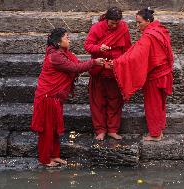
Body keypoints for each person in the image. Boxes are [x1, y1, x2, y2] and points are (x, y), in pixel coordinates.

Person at [31, 28, 104, 167]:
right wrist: (94, 62)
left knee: (54, 129)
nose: (69, 39)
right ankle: (45, 159)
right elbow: (74, 68)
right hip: (48, 97)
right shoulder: (56, 56)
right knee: (47, 130)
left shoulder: (63, 53)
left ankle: (54, 155)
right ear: (58, 42)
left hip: (55, 98)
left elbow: (76, 64)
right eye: (66, 37)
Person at [110, 8, 174, 141]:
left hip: (155, 76)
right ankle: (159, 130)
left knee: (153, 105)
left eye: (139, 23)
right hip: (164, 73)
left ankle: (155, 134)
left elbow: (135, 56)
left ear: (148, 21)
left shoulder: (149, 36)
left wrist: (116, 63)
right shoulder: (160, 29)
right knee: (160, 104)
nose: (138, 26)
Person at [84, 7, 132, 140]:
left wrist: (119, 62)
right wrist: (99, 48)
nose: (114, 26)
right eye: (112, 23)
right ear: (106, 19)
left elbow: (128, 50)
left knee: (115, 101)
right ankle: (100, 130)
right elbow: (87, 46)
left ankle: (112, 129)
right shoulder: (97, 28)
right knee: (97, 101)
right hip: (99, 70)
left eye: (117, 23)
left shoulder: (123, 28)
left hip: (115, 70)